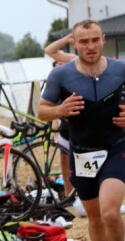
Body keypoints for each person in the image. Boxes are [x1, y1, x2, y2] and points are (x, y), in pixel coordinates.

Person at [37, 19, 125, 241]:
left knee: (110, 213)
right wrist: (60, 109)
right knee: (95, 219)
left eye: (95, 40)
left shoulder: (121, 69)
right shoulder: (60, 75)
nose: (91, 46)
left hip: (116, 148)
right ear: (74, 44)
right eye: (84, 41)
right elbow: (42, 111)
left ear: (103, 39)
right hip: (82, 154)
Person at [44, 34, 77, 199]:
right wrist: (67, 38)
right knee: (65, 163)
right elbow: (49, 50)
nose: (60, 63)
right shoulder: (58, 77)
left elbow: (52, 50)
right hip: (66, 125)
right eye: (57, 63)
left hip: (83, 124)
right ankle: (69, 195)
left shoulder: (76, 61)